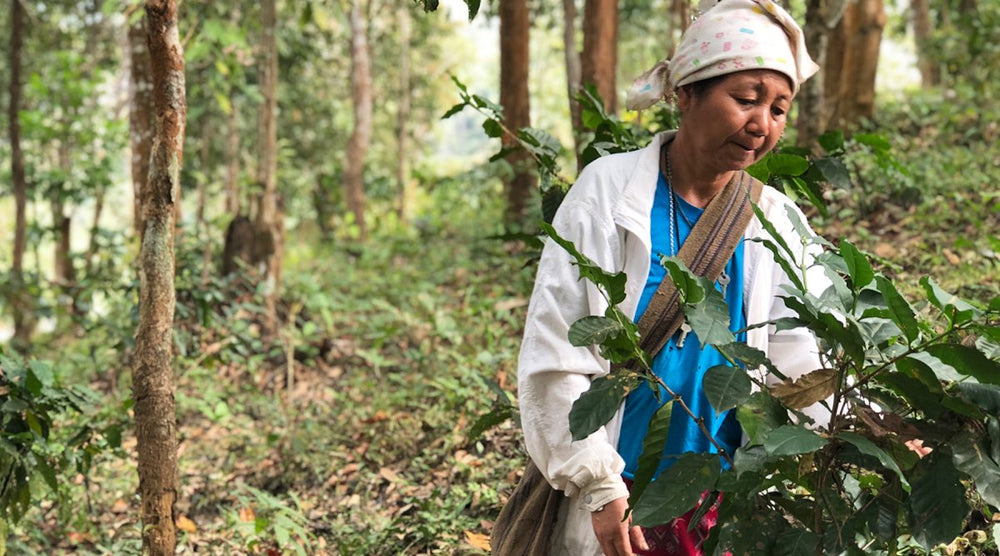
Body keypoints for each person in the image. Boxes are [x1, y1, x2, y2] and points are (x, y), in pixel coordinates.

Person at [516, 1, 832, 554]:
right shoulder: (608, 195)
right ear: (686, 93)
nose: (763, 124)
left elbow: (795, 353)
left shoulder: (779, 221)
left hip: (724, 497)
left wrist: (861, 427)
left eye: (780, 109)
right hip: (623, 489)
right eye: (746, 99)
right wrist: (599, 487)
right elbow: (558, 353)